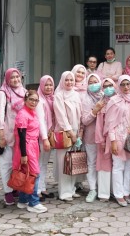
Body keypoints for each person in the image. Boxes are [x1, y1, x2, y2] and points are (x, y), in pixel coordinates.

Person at [14, 89, 48, 213]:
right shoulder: (23, 114)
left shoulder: (32, 113)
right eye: (31, 99)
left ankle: (23, 200)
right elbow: (21, 135)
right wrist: (24, 154)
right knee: (34, 174)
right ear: (25, 100)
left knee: (27, 173)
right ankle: (33, 203)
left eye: (36, 100)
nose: (33, 102)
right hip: (27, 146)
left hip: (33, 145)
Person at [0, 68, 24, 206]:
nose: (15, 79)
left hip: (22, 134)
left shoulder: (23, 92)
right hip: (8, 133)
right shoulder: (3, 93)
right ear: (7, 79)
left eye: (17, 76)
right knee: (6, 163)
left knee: (17, 163)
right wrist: (1, 134)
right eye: (12, 77)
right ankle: (7, 192)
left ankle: (15, 186)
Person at [104, 75, 130, 207]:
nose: (126, 87)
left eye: (128, 84)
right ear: (119, 86)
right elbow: (109, 123)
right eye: (123, 84)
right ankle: (118, 194)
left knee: (129, 167)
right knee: (118, 166)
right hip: (117, 138)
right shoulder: (114, 101)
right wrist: (113, 141)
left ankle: (126, 192)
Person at [53, 71, 82, 201]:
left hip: (76, 132)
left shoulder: (76, 94)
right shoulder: (59, 95)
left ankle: (72, 188)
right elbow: (61, 116)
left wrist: (80, 131)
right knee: (64, 162)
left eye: (71, 80)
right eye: (67, 80)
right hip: (65, 133)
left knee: (74, 161)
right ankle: (64, 192)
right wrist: (71, 132)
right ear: (62, 81)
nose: (69, 82)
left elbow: (80, 114)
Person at [80, 73, 104, 202]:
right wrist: (95, 111)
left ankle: (104, 188)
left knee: (105, 162)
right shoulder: (86, 99)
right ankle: (92, 189)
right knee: (92, 163)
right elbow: (84, 120)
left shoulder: (105, 96)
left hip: (105, 136)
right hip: (91, 136)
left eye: (96, 82)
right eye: (91, 82)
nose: (94, 84)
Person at [94, 78, 116, 202]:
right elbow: (99, 124)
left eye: (110, 85)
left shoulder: (119, 100)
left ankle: (114, 191)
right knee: (104, 165)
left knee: (117, 165)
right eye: (105, 86)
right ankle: (103, 193)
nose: (108, 88)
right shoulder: (101, 103)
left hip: (117, 138)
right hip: (103, 138)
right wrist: (101, 140)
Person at [35, 75, 55, 199]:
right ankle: (36, 190)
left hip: (48, 134)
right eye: (46, 85)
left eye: (50, 85)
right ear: (41, 86)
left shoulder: (51, 99)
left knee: (44, 163)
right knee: (38, 163)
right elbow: (41, 121)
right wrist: (45, 138)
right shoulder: (39, 100)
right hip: (41, 136)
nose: (48, 87)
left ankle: (42, 187)